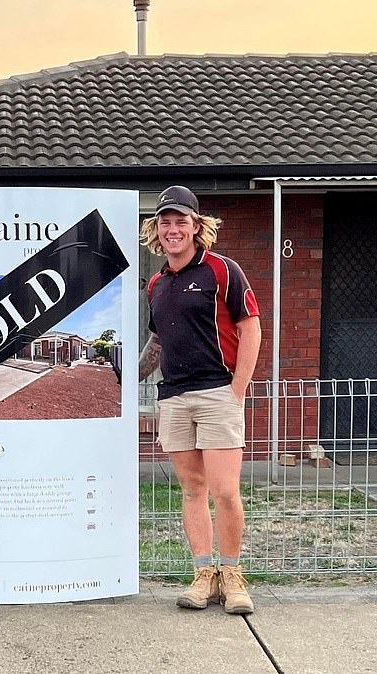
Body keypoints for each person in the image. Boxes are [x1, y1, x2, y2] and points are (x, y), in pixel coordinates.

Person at [139, 186, 261, 614]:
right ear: (156, 230)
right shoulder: (155, 283)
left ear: (196, 226)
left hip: (217, 393)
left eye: (181, 222)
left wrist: (237, 390)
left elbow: (251, 329)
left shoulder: (222, 271)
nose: (173, 230)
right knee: (192, 490)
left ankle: (232, 576)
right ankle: (202, 575)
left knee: (225, 491)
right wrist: (125, 379)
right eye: (165, 222)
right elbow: (158, 342)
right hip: (174, 398)